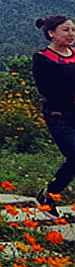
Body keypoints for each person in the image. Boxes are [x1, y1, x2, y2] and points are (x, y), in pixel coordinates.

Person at [33, 15, 75, 215]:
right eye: (65, 30)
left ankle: (49, 195)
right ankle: (49, 194)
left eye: (72, 30)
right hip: (58, 115)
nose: (71, 34)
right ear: (51, 33)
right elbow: (47, 89)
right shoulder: (42, 58)